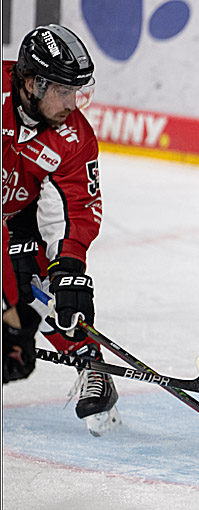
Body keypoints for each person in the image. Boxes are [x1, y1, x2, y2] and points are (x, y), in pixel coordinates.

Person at [2, 24, 120, 436]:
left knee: (41, 282)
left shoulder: (73, 137)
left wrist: (68, 267)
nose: (72, 103)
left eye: (77, 91)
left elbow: (77, 207)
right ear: (31, 84)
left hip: (17, 215)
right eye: (63, 91)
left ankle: (91, 362)